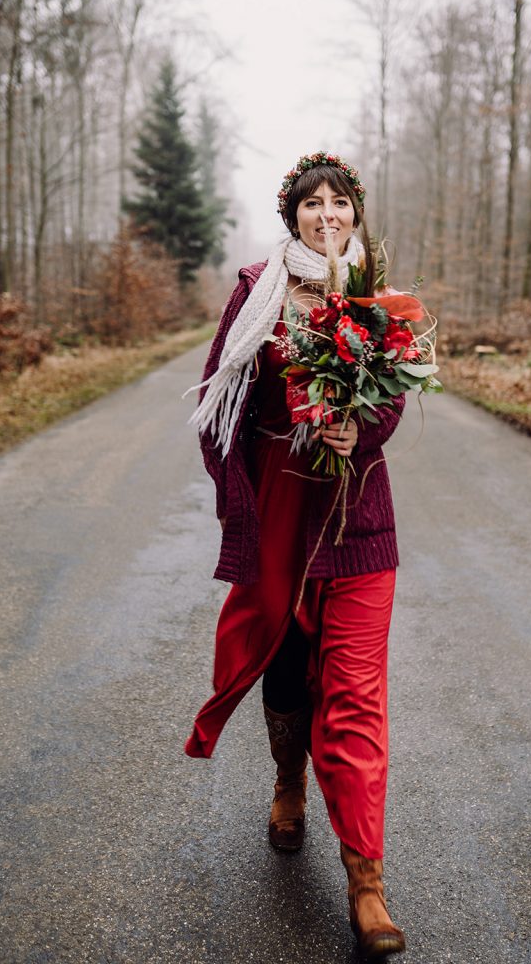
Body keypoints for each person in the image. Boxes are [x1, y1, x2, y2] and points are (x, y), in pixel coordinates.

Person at [184, 151, 406, 958]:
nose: (325, 214)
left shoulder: (374, 296)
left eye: (337, 201)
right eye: (310, 203)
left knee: (354, 693)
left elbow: (392, 397)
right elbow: (218, 403)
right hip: (284, 510)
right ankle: (287, 785)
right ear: (292, 217)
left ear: (354, 212)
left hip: (357, 519)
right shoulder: (257, 293)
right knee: (284, 668)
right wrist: (243, 504)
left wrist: (361, 427)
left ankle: (366, 882)